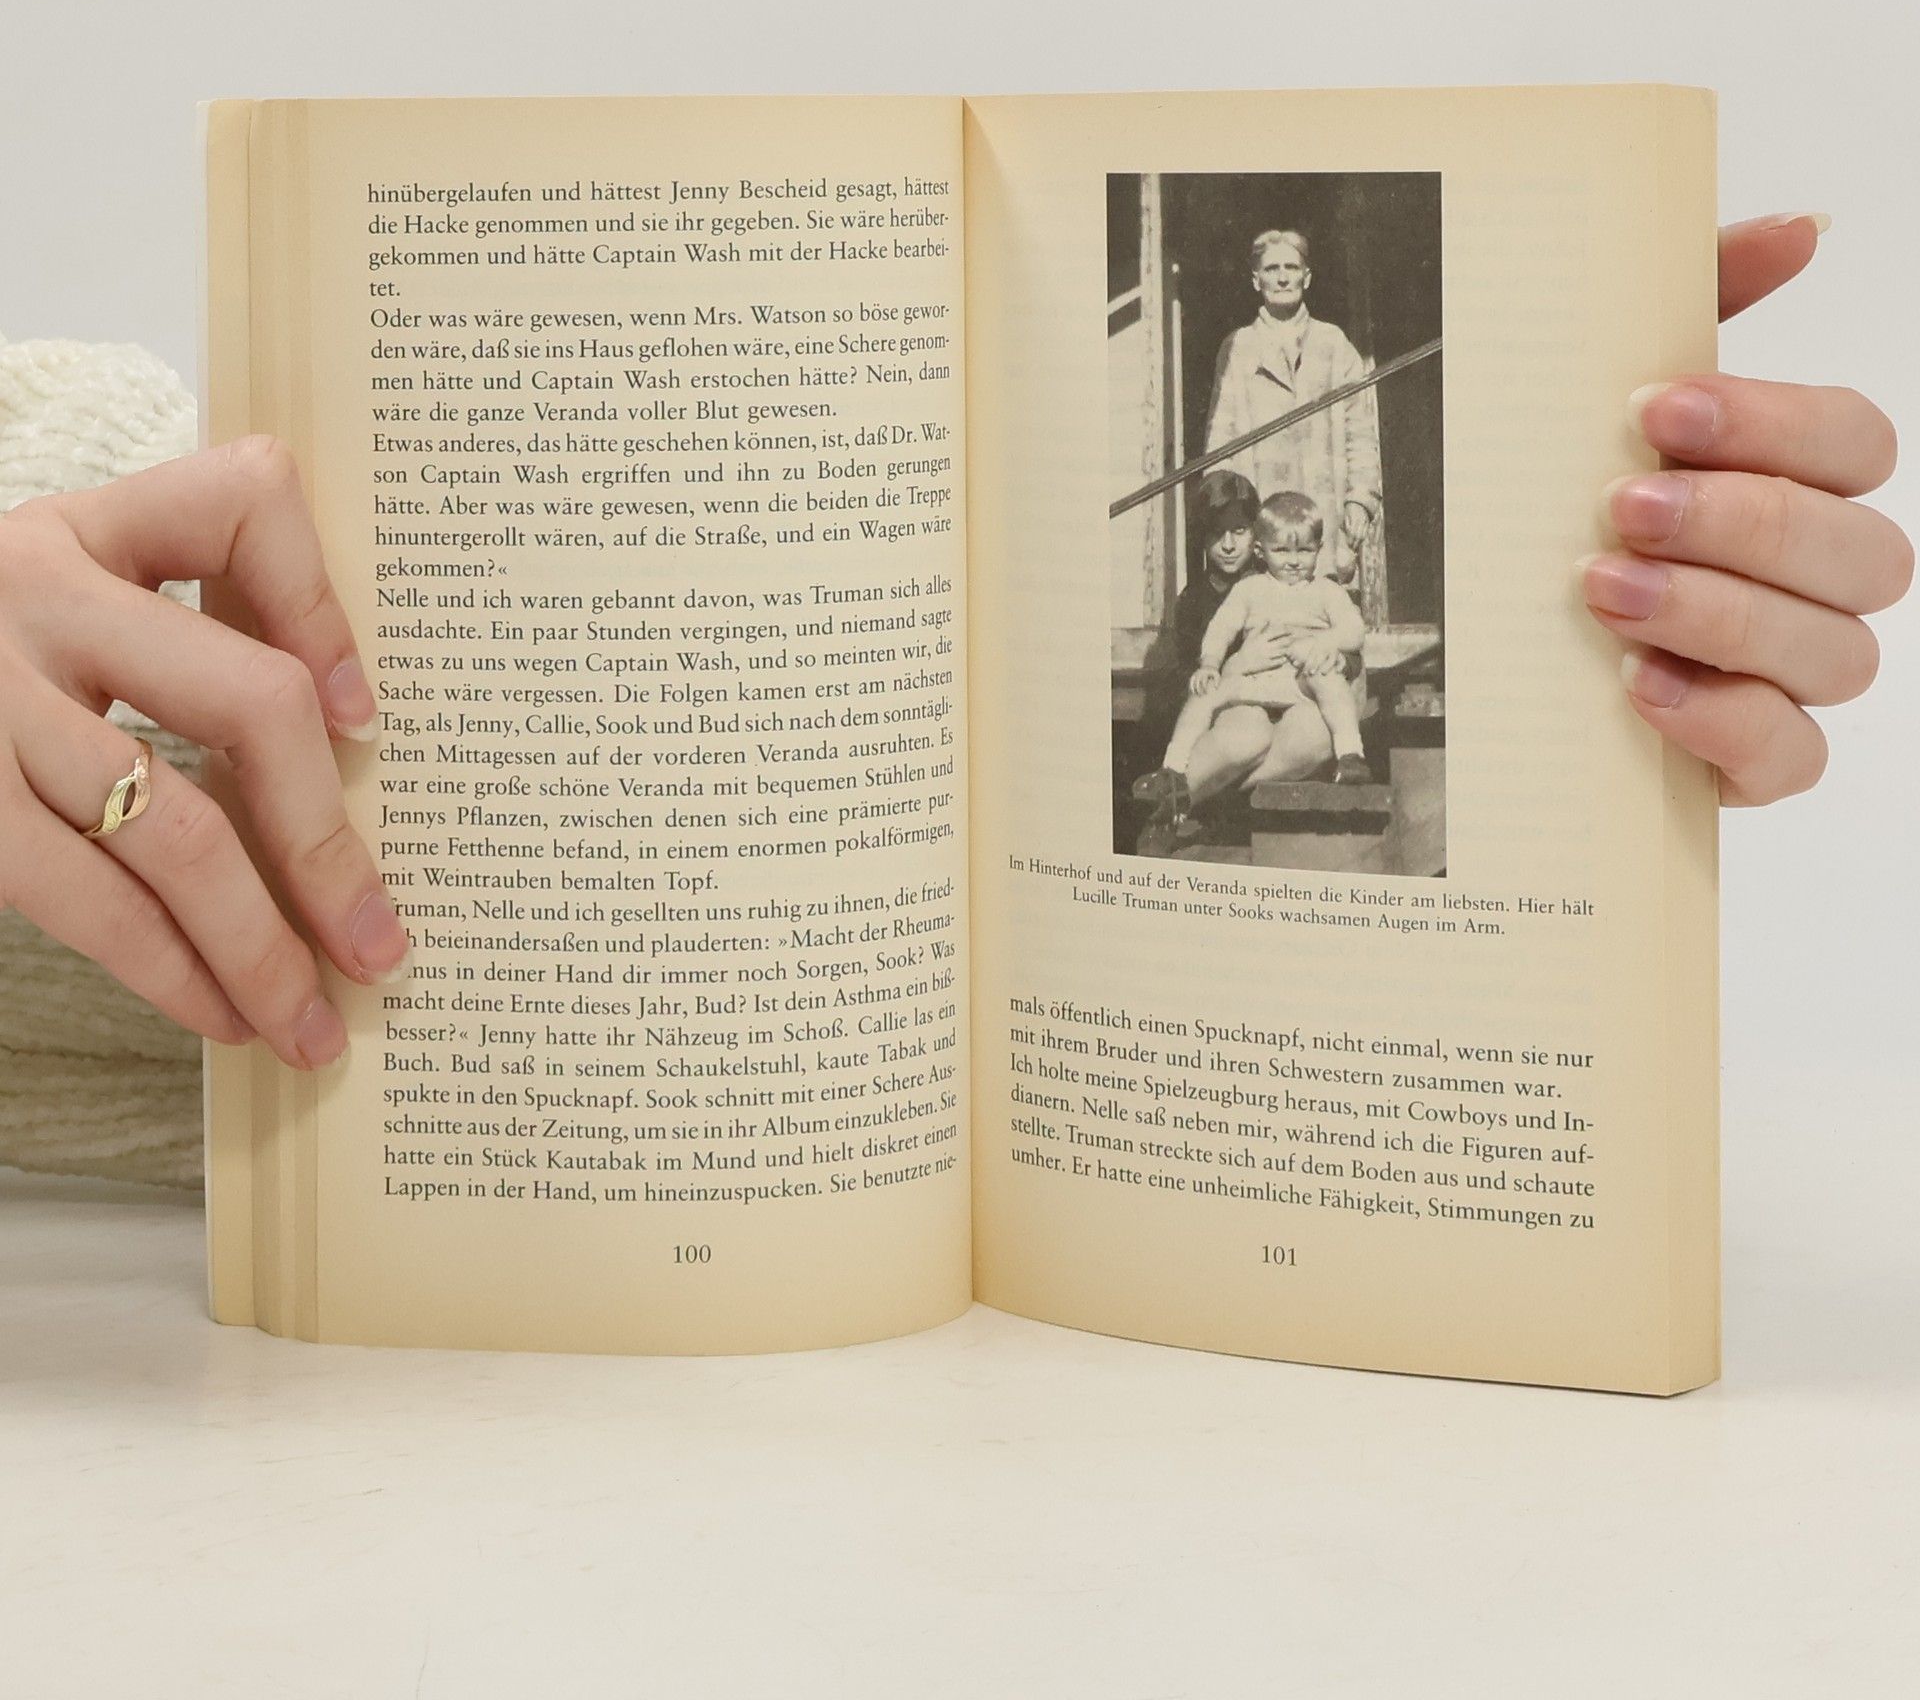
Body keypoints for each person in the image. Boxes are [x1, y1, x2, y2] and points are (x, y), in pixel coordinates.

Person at [0, 215, 1910, 1073]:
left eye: (1288, 270)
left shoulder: (1331, 363)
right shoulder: (1246, 440)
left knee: (1292, 704)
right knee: (1240, 705)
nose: (1276, 286)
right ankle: (1204, 784)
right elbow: (1231, 478)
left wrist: (1566, 587)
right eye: (1257, 272)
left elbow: (1340, 489)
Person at [1136, 491, 1369, 843]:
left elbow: (1353, 630)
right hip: (1256, 683)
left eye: (1305, 551)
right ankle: (1173, 771)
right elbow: (1221, 629)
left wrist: (1326, 644)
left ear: (1319, 550)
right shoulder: (1248, 590)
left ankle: (1351, 754)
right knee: (1206, 696)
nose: (1294, 561)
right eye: (1282, 551)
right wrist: (1212, 663)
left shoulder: (1325, 591)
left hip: (1301, 681)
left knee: (1328, 680)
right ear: (1262, 551)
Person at [1203, 228, 1383, 592]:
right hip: (1261, 519)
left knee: (1324, 615)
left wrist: (1360, 501)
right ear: (1256, 279)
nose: (1283, 277)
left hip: (1324, 517)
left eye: (1292, 267)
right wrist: (1229, 519)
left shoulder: (1334, 344)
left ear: (1307, 276)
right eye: (1272, 269)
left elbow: (1361, 433)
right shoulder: (1238, 347)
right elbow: (1220, 440)